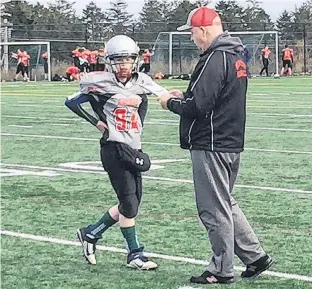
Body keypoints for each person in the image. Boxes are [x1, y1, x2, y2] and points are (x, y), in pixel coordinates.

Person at [157, 6, 274, 285]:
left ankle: (221, 268)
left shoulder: (215, 57)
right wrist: (185, 94)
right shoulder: (235, 55)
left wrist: (170, 102)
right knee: (224, 201)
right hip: (229, 140)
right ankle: (255, 256)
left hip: (212, 142)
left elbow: (199, 106)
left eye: (193, 33)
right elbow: (214, 97)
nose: (192, 39)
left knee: (213, 208)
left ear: (203, 30)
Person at [65, 35, 168, 270]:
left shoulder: (142, 81)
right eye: (118, 61)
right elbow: (71, 102)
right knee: (129, 205)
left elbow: (160, 96)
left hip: (133, 147)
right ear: (109, 61)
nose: (124, 65)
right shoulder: (99, 82)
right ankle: (135, 254)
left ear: (136, 60)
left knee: (130, 204)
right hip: (113, 148)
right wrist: (97, 122)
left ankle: (91, 233)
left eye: (128, 60)